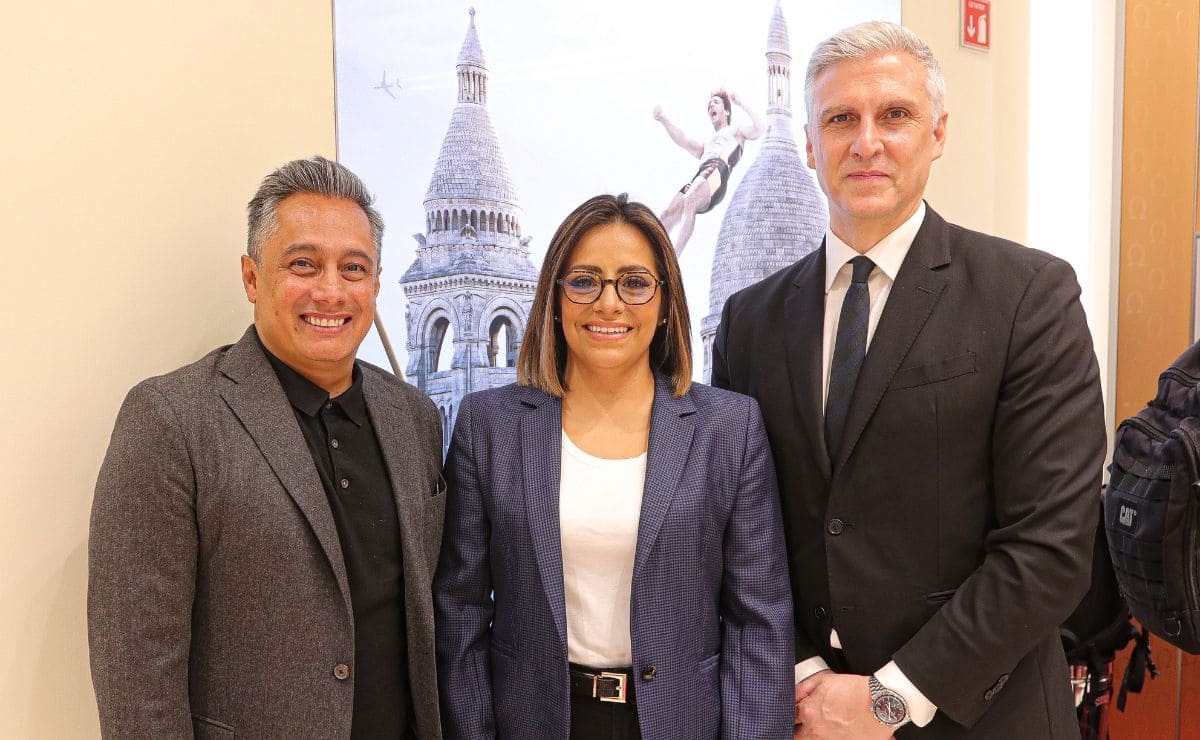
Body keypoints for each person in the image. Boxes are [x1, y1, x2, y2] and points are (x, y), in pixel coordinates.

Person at [712, 21, 1106, 739]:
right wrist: (808, 684)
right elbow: (741, 531)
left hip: (982, 716)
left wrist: (888, 701)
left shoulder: (1028, 296)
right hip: (803, 719)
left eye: (894, 114)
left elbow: (1051, 548)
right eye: (840, 119)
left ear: (938, 132)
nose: (866, 142)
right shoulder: (750, 322)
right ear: (809, 143)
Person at [88, 156, 445, 738]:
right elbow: (137, 670)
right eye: (303, 264)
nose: (331, 291)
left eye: (353, 268)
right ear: (253, 278)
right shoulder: (171, 420)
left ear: (376, 284)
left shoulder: (414, 418)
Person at [434, 193, 794, 739]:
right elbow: (460, 612)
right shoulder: (491, 425)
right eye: (584, 281)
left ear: (666, 301)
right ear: (554, 299)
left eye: (634, 282)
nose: (609, 303)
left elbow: (758, 620)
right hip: (533, 723)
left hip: (680, 723)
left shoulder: (729, 428)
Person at [654, 89, 764, 255]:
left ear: (726, 111)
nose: (711, 105)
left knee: (690, 197)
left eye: (716, 102)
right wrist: (663, 119)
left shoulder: (736, 131)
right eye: (709, 105)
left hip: (718, 173)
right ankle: (650, 253)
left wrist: (741, 103)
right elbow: (682, 139)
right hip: (702, 175)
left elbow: (759, 129)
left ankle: (674, 257)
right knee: (667, 214)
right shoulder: (707, 145)